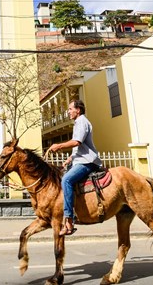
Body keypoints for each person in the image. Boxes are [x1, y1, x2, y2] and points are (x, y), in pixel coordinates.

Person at [46, 100, 102, 236]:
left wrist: (58, 146)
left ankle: (69, 221)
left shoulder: (82, 121)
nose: (68, 111)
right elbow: (79, 147)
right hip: (80, 160)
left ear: (78, 110)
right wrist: (70, 159)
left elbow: (77, 142)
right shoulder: (78, 123)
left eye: (70, 109)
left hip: (87, 162)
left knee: (66, 180)